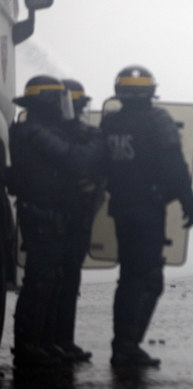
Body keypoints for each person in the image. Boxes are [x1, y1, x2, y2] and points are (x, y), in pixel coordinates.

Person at [101, 65, 193, 367]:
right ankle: (126, 348)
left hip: (121, 209)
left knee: (129, 276)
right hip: (148, 211)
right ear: (150, 91)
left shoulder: (109, 124)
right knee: (147, 280)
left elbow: (98, 165)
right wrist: (188, 203)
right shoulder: (158, 121)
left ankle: (124, 345)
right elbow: (175, 166)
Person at [8, 75, 104, 367]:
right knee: (41, 281)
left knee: (62, 279)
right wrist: (99, 143)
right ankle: (30, 344)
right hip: (41, 215)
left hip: (59, 214)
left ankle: (54, 341)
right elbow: (75, 160)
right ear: (49, 102)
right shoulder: (33, 131)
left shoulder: (54, 130)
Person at [52, 79, 105, 362]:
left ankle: (59, 342)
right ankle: (51, 343)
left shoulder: (45, 134)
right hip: (59, 218)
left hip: (68, 218)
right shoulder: (52, 137)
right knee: (55, 282)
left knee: (67, 280)